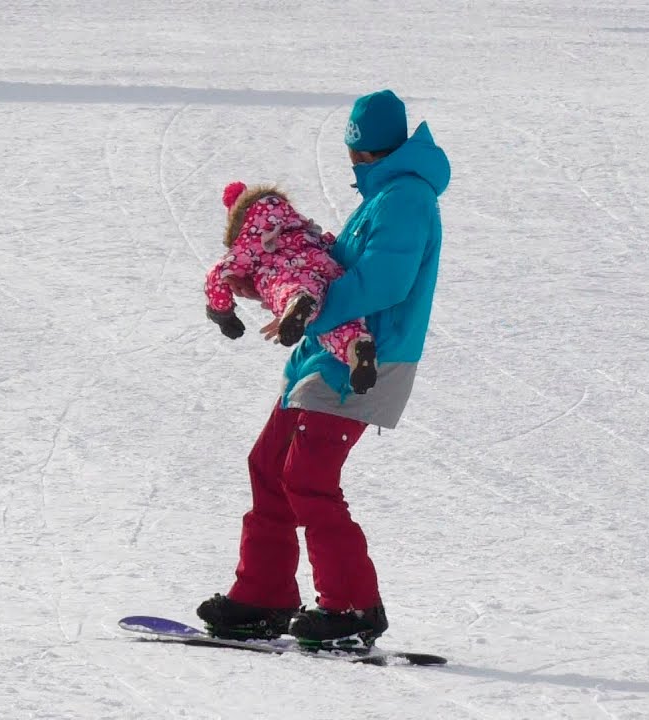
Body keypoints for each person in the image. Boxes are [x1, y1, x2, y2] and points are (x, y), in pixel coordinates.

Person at [197, 89, 451, 650]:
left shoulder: (406, 198)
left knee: (307, 477)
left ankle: (353, 607)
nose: (353, 163)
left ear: (374, 149)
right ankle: (264, 595)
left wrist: (309, 310)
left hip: (367, 358)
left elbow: (385, 283)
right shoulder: (383, 194)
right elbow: (329, 268)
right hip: (322, 354)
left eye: (357, 153)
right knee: (269, 464)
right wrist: (274, 288)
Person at [204, 181, 378, 394]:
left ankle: (298, 301)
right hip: (325, 266)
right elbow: (330, 243)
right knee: (336, 316)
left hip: (288, 278)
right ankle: (356, 345)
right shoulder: (299, 226)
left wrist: (222, 314)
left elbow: (218, 275)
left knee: (285, 289)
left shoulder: (248, 241)